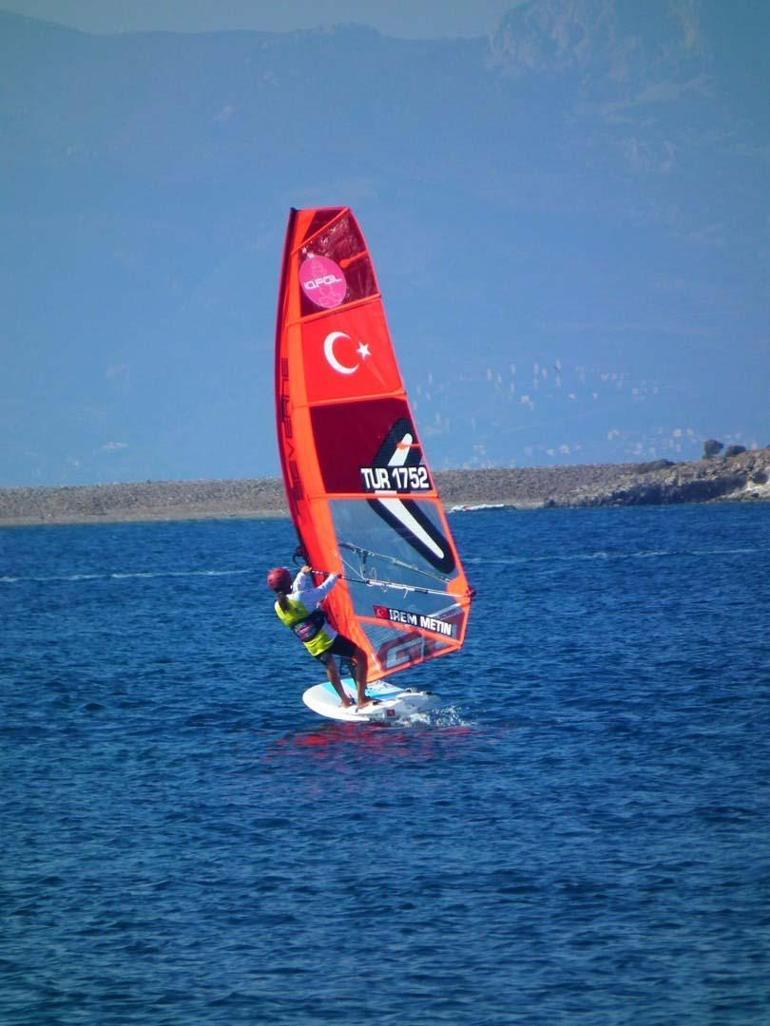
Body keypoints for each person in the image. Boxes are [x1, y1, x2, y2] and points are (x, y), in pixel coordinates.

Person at [267, 564, 374, 708]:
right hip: (328, 639)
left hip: (311, 645)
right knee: (361, 656)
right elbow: (323, 590)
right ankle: (362, 699)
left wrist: (302, 574)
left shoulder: (278, 606)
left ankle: (345, 701)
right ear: (288, 581)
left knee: (331, 668)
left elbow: (296, 594)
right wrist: (334, 575)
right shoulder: (300, 598)